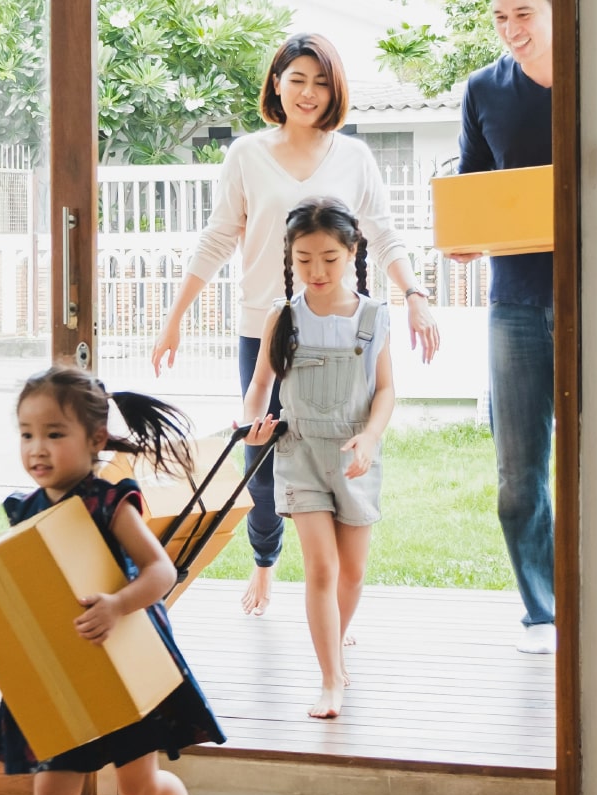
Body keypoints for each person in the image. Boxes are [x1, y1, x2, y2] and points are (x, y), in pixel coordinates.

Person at [150, 32, 440, 618]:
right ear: (276, 84)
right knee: (259, 460)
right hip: (267, 332)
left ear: (335, 90)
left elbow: (381, 233)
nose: (308, 92)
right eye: (297, 79)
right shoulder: (246, 155)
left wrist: (414, 293)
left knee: (338, 464)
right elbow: (216, 240)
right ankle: (265, 562)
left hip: (337, 337)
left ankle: (335, 603)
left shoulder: (354, 157)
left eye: (321, 81)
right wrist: (174, 317)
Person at [0, 366, 222, 795]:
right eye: (27, 435)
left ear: (95, 438)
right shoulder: (24, 511)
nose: (37, 448)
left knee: (137, 787)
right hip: (59, 669)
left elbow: (161, 572)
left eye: (54, 434)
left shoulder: (109, 502)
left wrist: (117, 605)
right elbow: (23, 601)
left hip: (120, 659)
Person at [241, 198, 397, 720]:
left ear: (352, 251)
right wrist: (254, 426)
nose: (317, 271)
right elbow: (261, 383)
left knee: (353, 573)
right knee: (323, 568)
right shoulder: (282, 317)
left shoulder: (374, 317)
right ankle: (330, 680)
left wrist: (371, 438)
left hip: (355, 455)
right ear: (290, 257)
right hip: (299, 452)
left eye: (329, 258)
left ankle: (335, 641)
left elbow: (386, 391)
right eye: (304, 259)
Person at [448, 0, 557, 654]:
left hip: (595, 298)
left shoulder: (594, 77)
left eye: (524, 12)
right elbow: (472, 188)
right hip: (514, 304)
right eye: (499, 17)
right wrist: (464, 236)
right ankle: (541, 612)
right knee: (519, 475)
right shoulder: (484, 89)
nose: (513, 29)